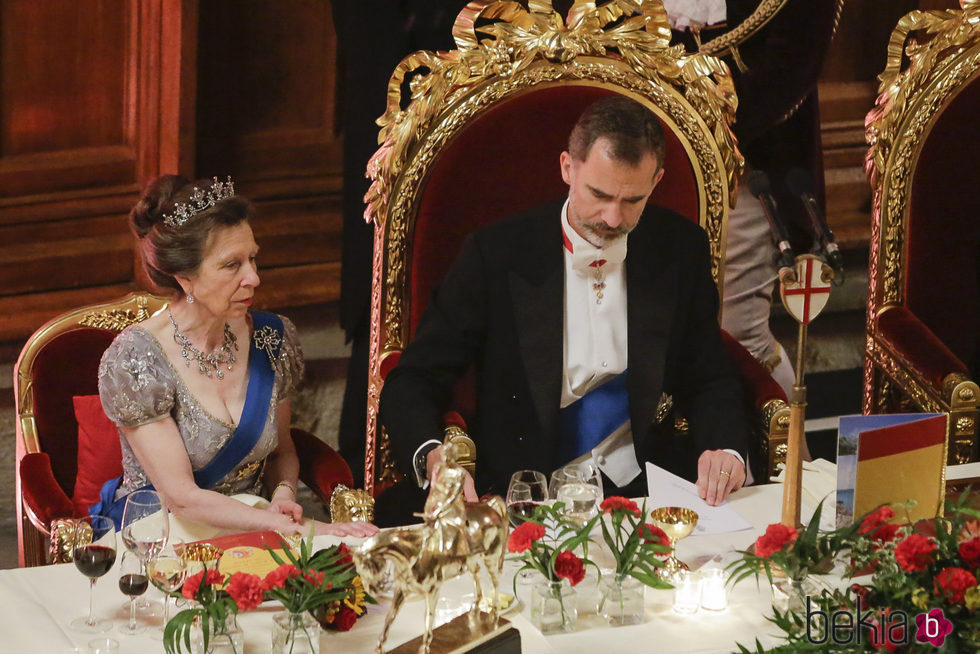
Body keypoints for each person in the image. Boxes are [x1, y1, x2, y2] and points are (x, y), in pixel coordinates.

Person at [380, 97, 751, 516]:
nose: (613, 218)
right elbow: (413, 379)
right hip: (522, 492)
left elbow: (710, 376)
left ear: (658, 179)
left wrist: (727, 451)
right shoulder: (496, 254)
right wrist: (434, 458)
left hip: (648, 489)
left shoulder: (680, 248)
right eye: (600, 194)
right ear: (567, 168)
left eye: (633, 201)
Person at [95, 175, 378, 539]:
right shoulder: (137, 360)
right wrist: (285, 526)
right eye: (232, 265)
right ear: (185, 278)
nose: (254, 278)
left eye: (253, 259)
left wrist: (282, 495)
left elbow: (281, 454)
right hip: (161, 536)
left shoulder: (272, 339)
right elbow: (181, 498)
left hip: (254, 525)